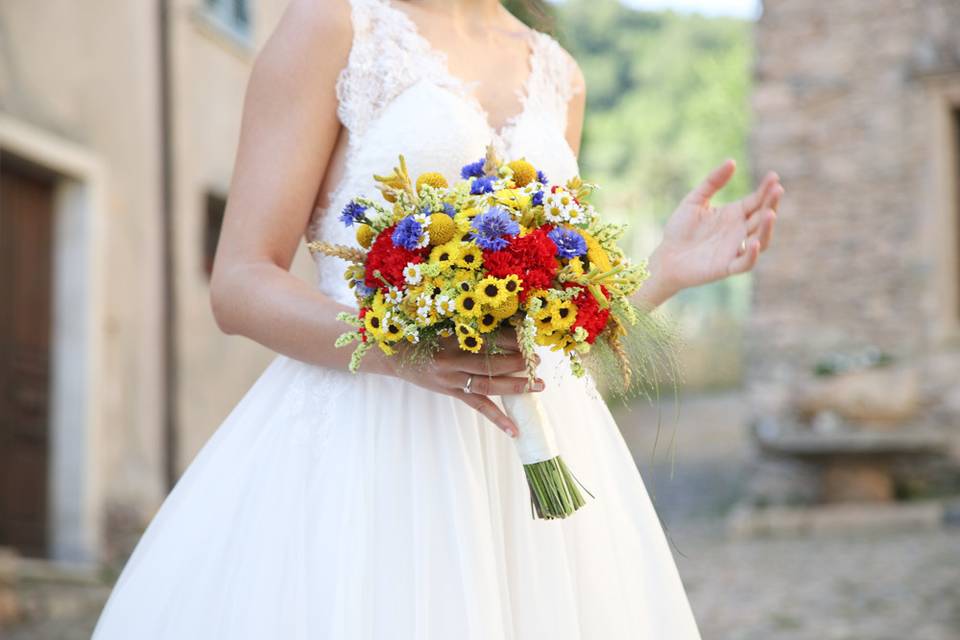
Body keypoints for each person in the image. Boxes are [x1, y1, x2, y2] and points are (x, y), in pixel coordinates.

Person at [92, 0, 781, 637]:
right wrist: (399, 351)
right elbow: (240, 280)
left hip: (532, 463)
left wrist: (658, 275)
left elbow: (546, 326)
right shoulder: (336, 26)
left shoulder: (558, 73)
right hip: (365, 447)